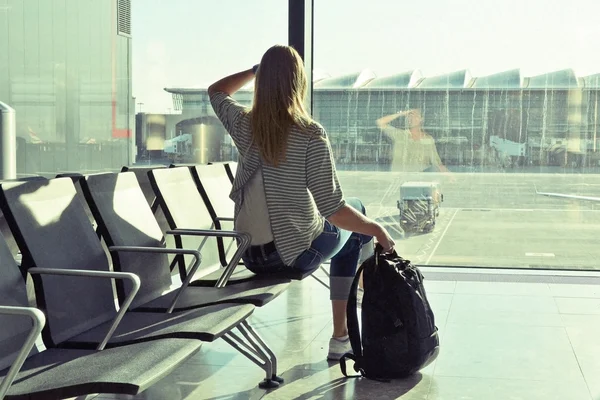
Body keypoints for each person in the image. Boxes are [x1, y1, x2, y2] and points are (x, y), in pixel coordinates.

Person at [208, 45, 395, 361]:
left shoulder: (244, 125)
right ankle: (342, 331)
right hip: (291, 256)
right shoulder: (310, 134)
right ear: (300, 82)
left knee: (353, 220)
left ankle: (356, 292)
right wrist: (377, 230)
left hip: (250, 256)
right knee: (358, 218)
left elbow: (216, 91)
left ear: (262, 82)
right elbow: (333, 210)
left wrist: (257, 71)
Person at [377, 109, 451, 174]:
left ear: (421, 119)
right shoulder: (400, 135)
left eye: (416, 116)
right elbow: (380, 122)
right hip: (398, 179)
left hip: (418, 179)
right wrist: (402, 113)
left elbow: (436, 161)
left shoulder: (428, 139)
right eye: (410, 116)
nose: (412, 119)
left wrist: (448, 174)